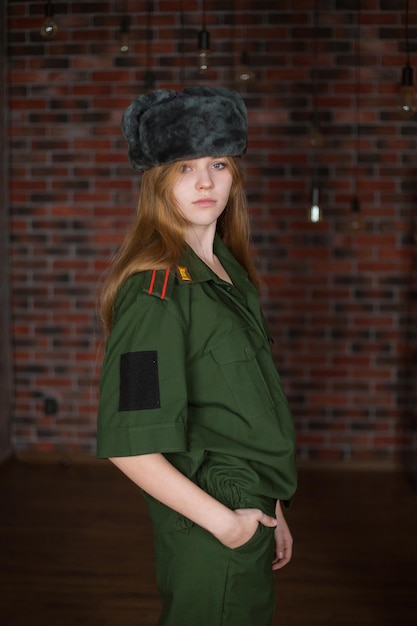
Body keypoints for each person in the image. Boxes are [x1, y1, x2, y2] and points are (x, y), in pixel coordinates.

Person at [96, 86, 297, 626]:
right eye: (184, 168)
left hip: (249, 502)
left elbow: (244, 409)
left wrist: (272, 505)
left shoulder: (227, 273)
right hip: (213, 518)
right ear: (158, 182)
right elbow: (130, 446)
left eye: (218, 163)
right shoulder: (154, 290)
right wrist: (228, 525)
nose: (205, 181)